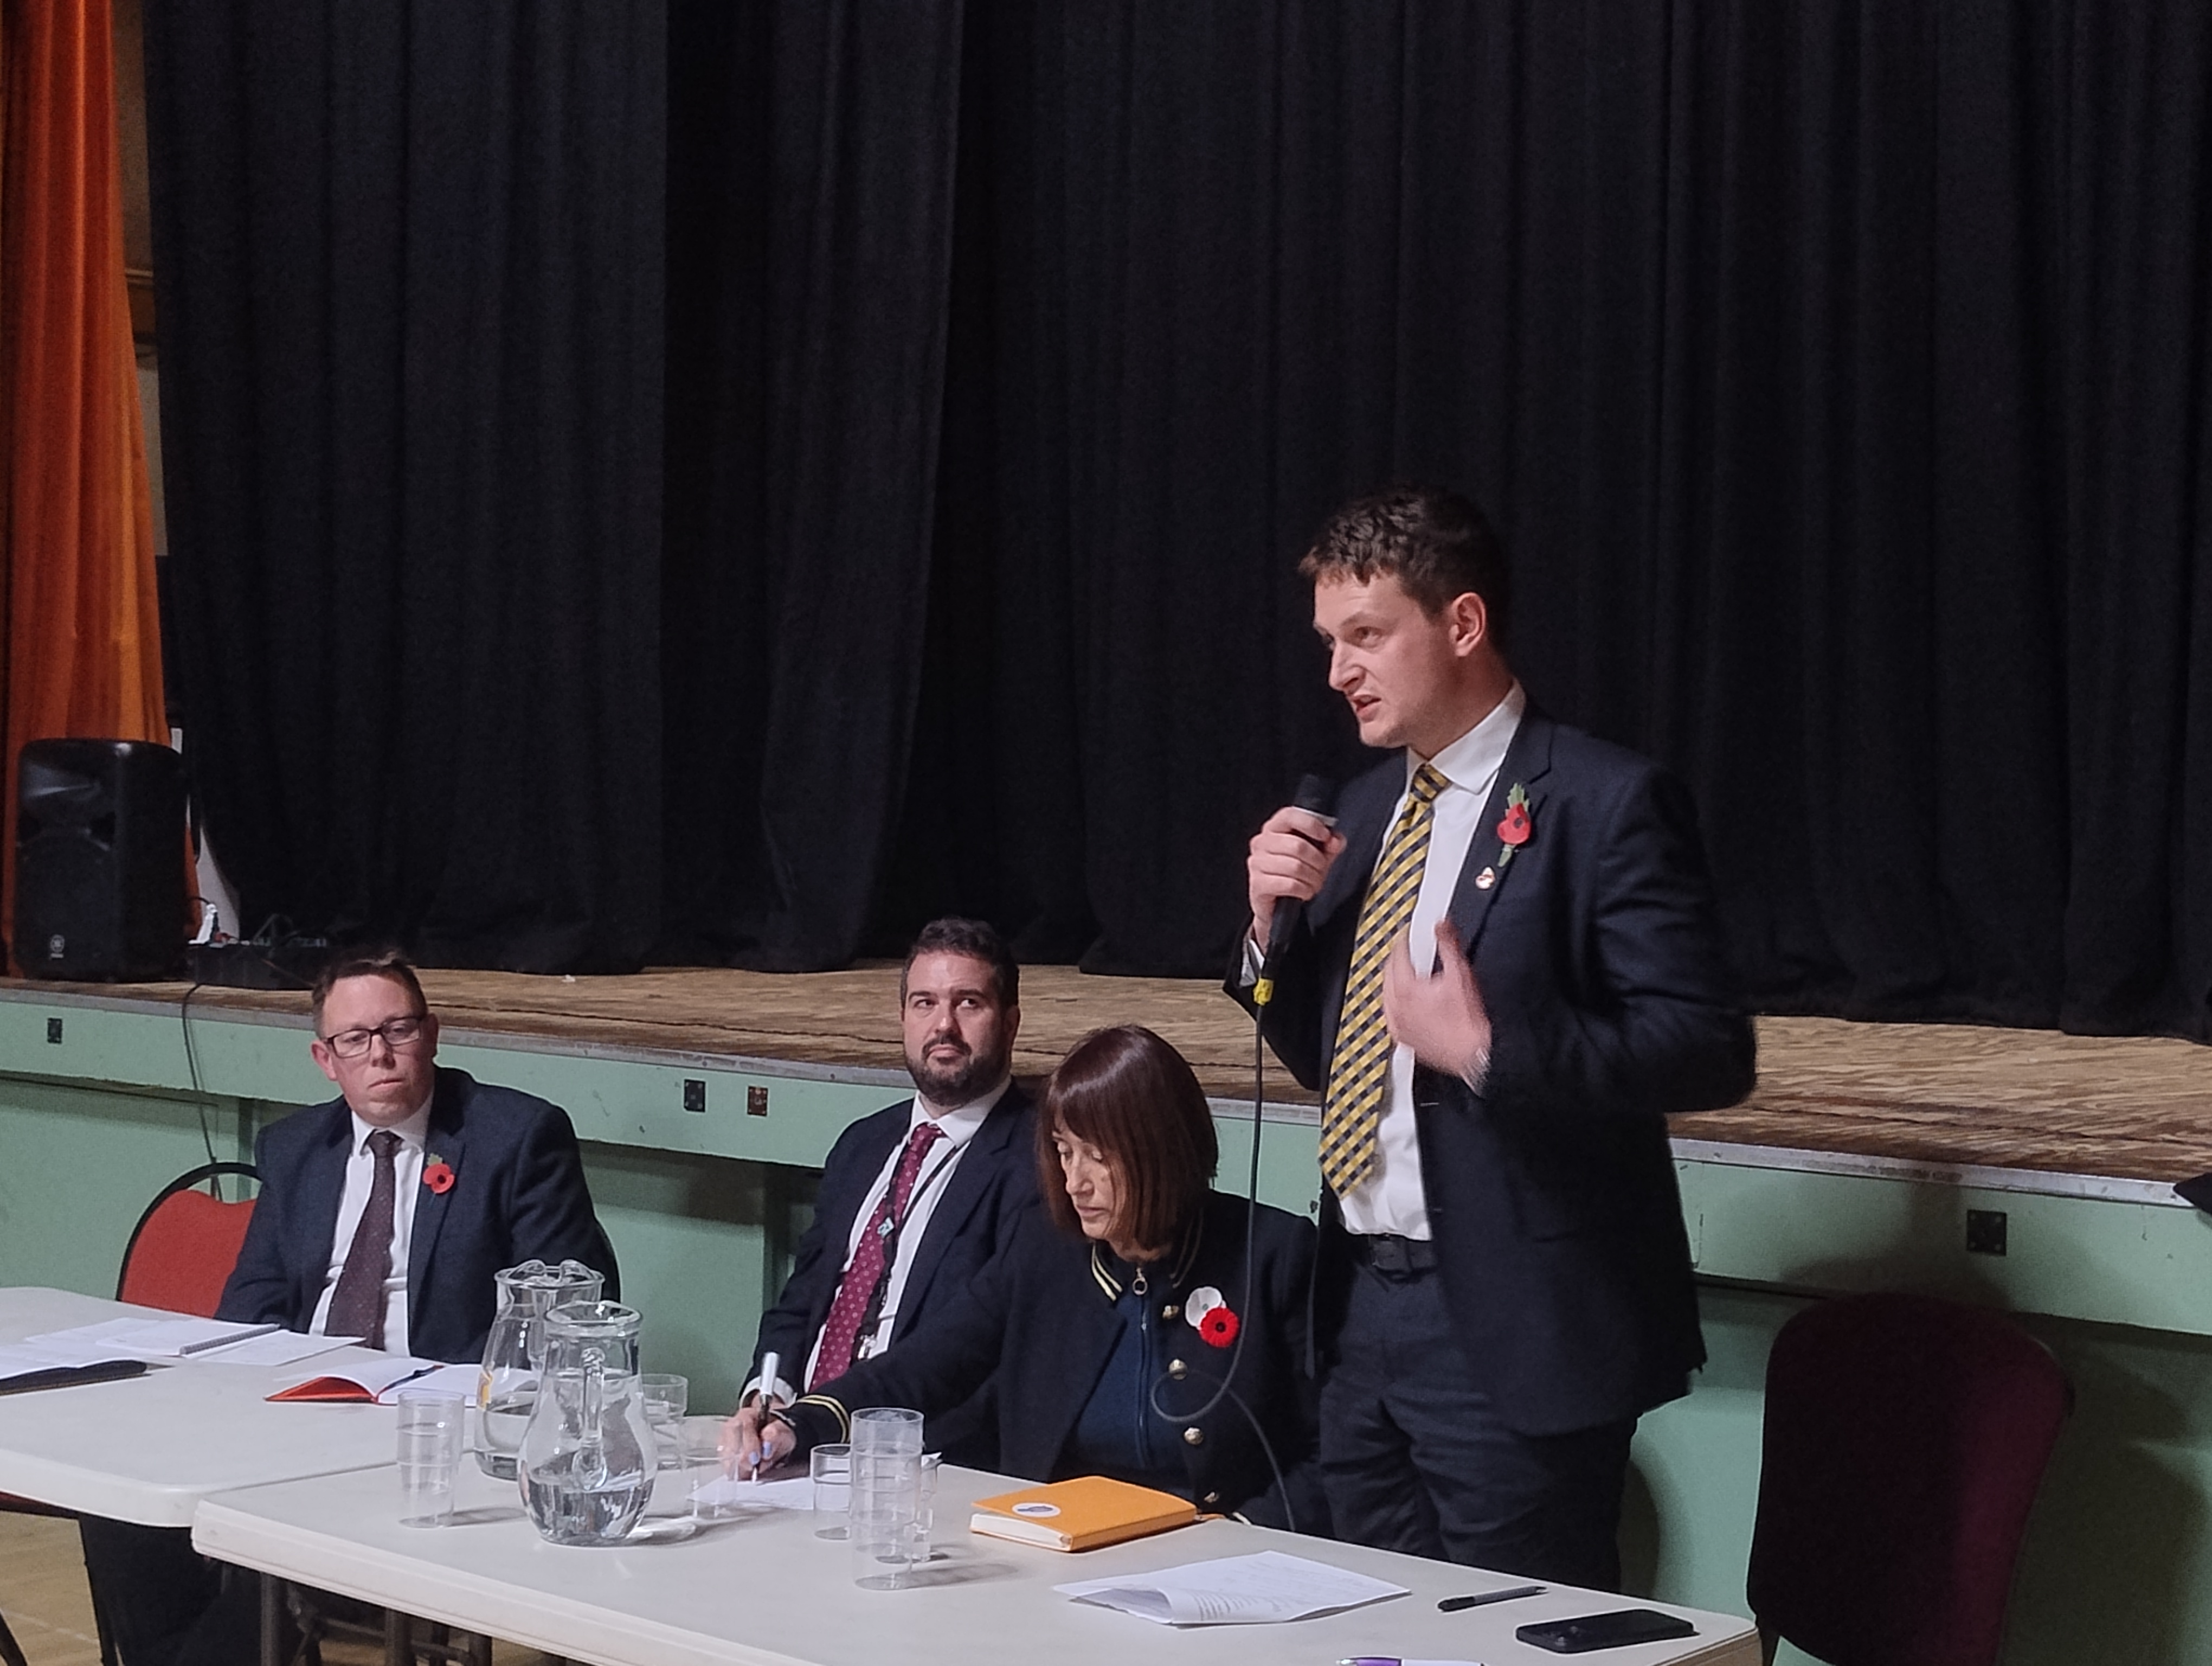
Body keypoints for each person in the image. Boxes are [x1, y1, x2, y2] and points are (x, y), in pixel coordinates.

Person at [1234, 484, 1754, 1587]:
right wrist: (1265, 938)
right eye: (1330, 643)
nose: (1339, 673)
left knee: (1512, 1639)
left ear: (1462, 625)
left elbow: (1708, 1046)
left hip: (1516, 1329)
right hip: (1361, 1310)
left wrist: (1487, 1050)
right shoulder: (1368, 812)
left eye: (1366, 635)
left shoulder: (1604, 802)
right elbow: (1339, 1067)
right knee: (1371, 1629)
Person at [83, 948, 615, 1666]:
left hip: (428, 1428)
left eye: (397, 1030)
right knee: (120, 1498)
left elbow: (568, 1310)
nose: (380, 1054)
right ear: (324, 1059)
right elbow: (251, 1309)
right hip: (302, 1408)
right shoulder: (297, 1149)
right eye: (355, 1040)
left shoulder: (515, 1138)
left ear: (432, 1033)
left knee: (263, 1547)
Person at [737, 1025, 1322, 1531]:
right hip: (1061, 1553)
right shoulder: (1046, 1252)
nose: (1075, 1182)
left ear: (1161, 1150)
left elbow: (1330, 1453)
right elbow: (928, 1365)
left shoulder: (1273, 1254)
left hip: (1221, 1563)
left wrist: (1242, 1534)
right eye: (1065, 1152)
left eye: (1098, 1156)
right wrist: (802, 1422)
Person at [729, 918, 1038, 1469]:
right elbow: (799, 1305)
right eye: (924, 1003)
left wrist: (819, 1419)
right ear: (902, 1018)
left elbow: (966, 1349)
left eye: (969, 1004)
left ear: (1011, 1023)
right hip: (797, 1447)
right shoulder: (863, 1144)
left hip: (919, 1460)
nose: (944, 1025)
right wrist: (767, 1398)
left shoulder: (1038, 1158)